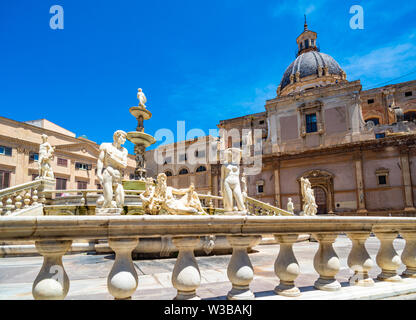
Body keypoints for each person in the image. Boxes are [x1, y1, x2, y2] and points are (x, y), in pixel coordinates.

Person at [96, 130, 128, 208]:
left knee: (120, 202)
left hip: (118, 176)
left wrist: (113, 158)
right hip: (108, 173)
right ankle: (102, 214)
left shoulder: (124, 151)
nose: (125, 140)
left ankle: (102, 200)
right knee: (108, 199)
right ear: (117, 136)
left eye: (125, 138)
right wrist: (98, 173)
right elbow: (100, 160)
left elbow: (124, 165)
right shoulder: (105, 146)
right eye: (123, 137)